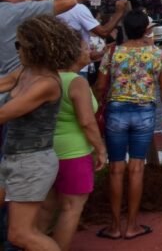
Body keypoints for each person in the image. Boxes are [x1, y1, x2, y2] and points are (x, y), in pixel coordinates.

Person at [0, 16, 81, 251]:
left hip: (32, 163)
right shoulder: (24, 72)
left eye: (20, 45)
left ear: (36, 47)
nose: (17, 50)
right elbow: (3, 83)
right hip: (11, 157)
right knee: (21, 233)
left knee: (21, 234)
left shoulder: (47, 83)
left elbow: (4, 114)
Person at [93, 10, 162, 240]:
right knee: (137, 167)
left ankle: (114, 226)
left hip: (116, 110)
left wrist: (97, 108)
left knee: (116, 168)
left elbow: (100, 86)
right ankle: (132, 225)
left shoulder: (112, 52)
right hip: (144, 110)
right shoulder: (156, 53)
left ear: (125, 29)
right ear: (146, 30)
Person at [39, 39, 106, 251]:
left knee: (46, 207)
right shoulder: (76, 82)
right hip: (74, 153)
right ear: (73, 54)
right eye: (86, 48)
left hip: (47, 149)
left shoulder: (46, 78)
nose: (90, 51)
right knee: (71, 208)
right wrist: (100, 149)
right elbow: (87, 121)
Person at [0, 0, 76, 75]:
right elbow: (68, 1)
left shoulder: (8, 11)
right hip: (21, 82)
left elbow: (39, 6)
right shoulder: (15, 12)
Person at [56, 0, 126, 49]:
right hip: (77, 54)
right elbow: (103, 32)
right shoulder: (79, 8)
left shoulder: (61, 6)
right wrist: (119, 12)